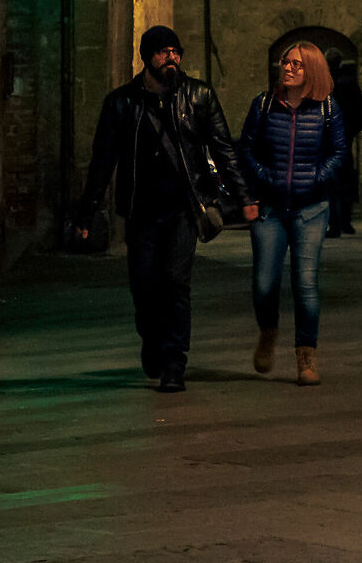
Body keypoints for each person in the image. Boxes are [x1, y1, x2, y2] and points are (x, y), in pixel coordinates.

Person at [76, 25, 251, 394]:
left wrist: (245, 198)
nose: (171, 58)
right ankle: (152, 340)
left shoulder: (199, 96)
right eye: (162, 52)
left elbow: (223, 149)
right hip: (140, 210)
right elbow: (103, 162)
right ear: (147, 58)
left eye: (176, 51)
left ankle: (174, 363)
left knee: (175, 282)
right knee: (143, 286)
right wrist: (86, 212)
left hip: (184, 209)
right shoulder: (121, 103)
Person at [238, 40, 347, 385]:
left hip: (311, 209)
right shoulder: (265, 105)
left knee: (306, 284)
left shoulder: (328, 109)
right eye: (286, 62)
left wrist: (317, 176)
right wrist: (264, 178)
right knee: (264, 283)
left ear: (311, 70)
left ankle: (306, 356)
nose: (287, 68)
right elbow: (246, 150)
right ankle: (268, 331)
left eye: (297, 64)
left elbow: (339, 153)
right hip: (270, 209)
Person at [326, 59, 362, 237]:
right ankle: (346, 221)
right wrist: (352, 131)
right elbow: (359, 111)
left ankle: (333, 223)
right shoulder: (349, 84)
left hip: (327, 140)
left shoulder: (323, 83)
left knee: (330, 183)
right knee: (345, 181)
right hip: (345, 137)